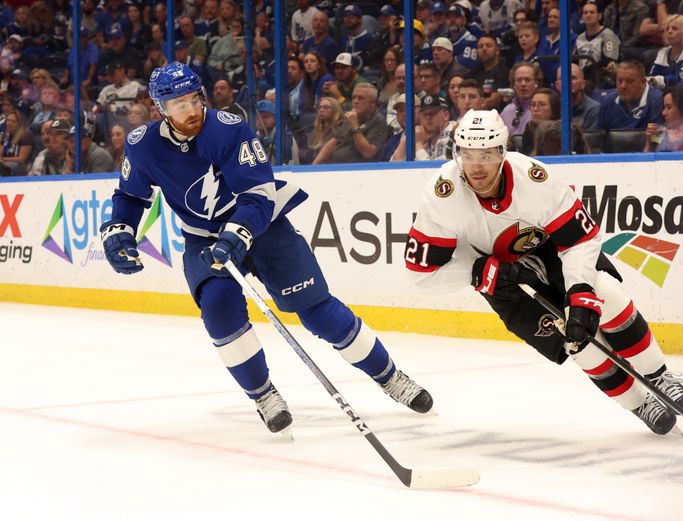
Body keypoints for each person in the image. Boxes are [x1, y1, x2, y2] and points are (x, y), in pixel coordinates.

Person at [99, 62, 433, 436]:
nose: (191, 111)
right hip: (204, 237)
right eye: (178, 105)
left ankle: (389, 376)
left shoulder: (229, 130)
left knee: (316, 310)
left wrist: (236, 236)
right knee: (219, 307)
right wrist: (119, 230)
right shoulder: (142, 144)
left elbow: (258, 196)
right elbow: (129, 195)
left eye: (194, 100)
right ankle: (263, 395)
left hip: (264, 228)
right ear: (161, 109)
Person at [403, 109, 683, 435]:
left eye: (486, 154)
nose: (477, 166)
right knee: (575, 342)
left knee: (604, 294)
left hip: (550, 251)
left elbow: (580, 239)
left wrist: (581, 291)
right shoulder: (442, 195)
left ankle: (658, 375)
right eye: (468, 155)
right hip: (498, 277)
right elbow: (421, 273)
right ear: (457, 154)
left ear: (503, 152)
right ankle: (640, 403)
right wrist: (475, 271)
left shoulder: (533, 178)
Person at [643, 84, 683, 152]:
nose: (663, 113)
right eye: (664, 107)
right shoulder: (660, 135)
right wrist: (649, 143)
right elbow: (644, 161)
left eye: (669, 107)